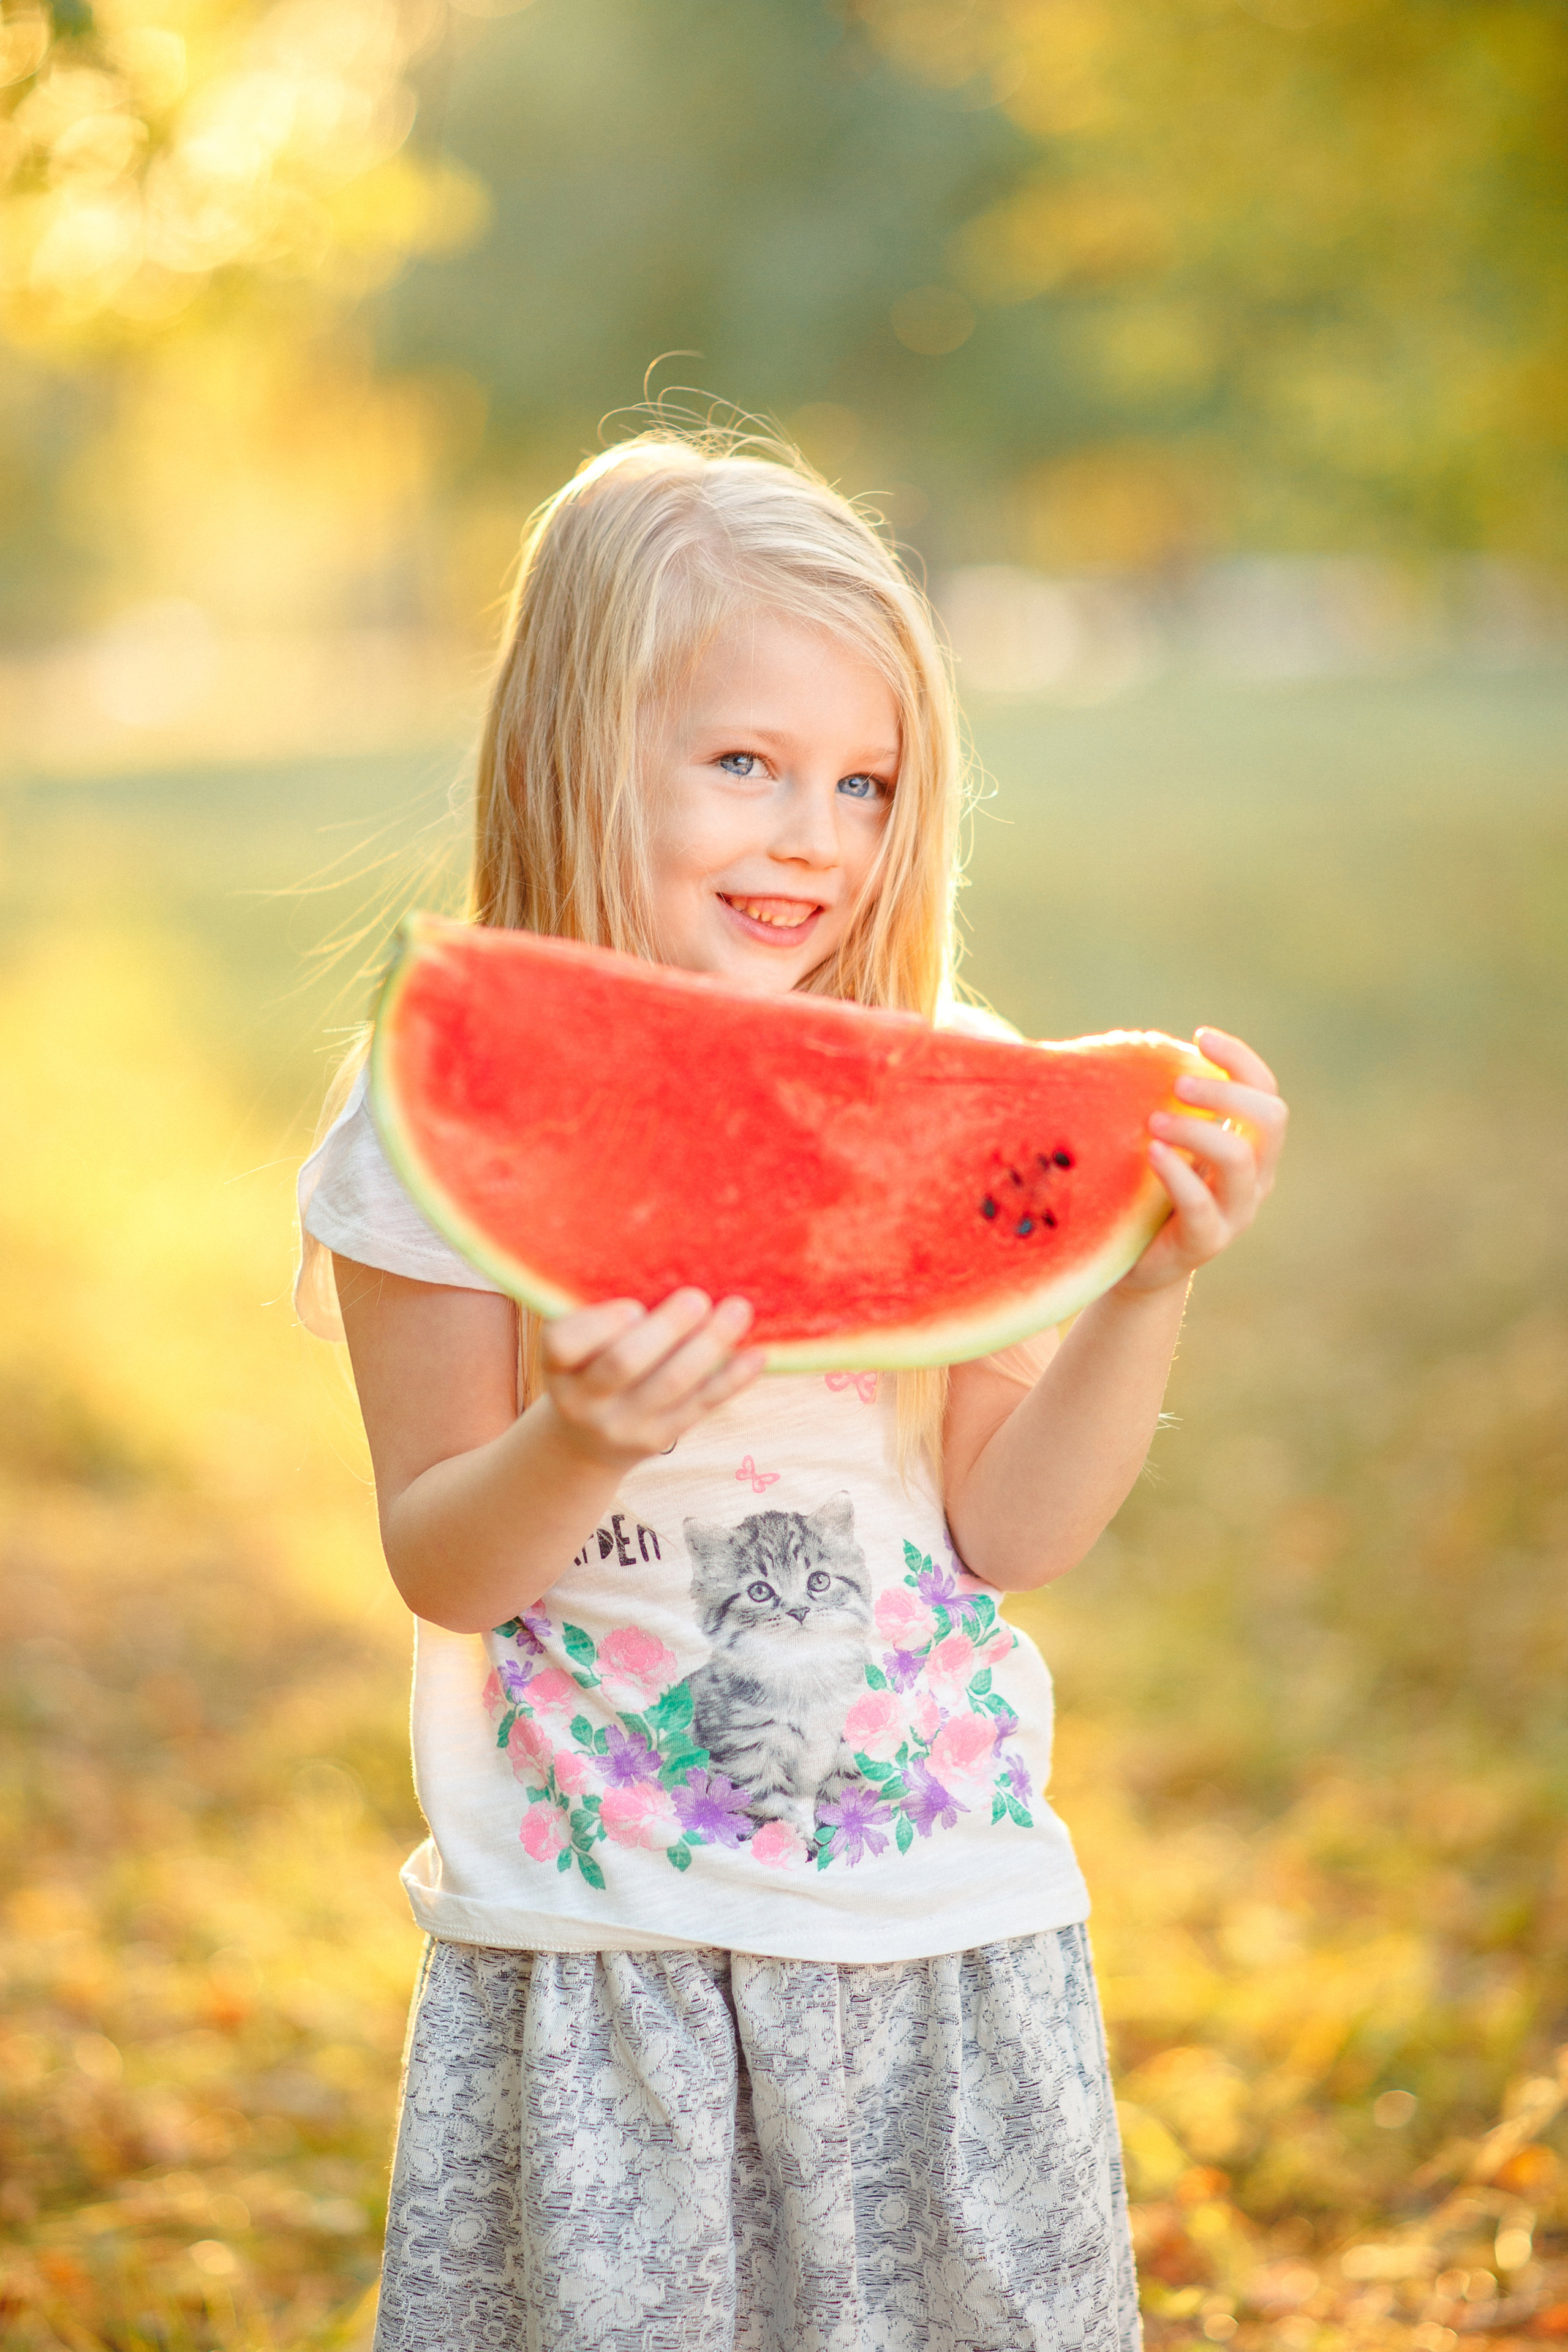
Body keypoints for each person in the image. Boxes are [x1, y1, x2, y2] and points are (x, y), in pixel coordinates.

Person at [295, 427, 1287, 2352]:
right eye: (743, 763)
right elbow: (447, 1563)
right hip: (607, 1955)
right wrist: (581, 1436)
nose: (814, 835)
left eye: (864, 781)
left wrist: (1140, 1287)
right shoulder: (436, 1121)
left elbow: (1014, 1528)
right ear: (579, 751)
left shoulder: (951, 1080)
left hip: (941, 1925)